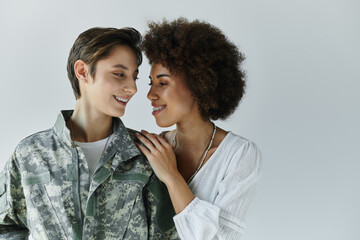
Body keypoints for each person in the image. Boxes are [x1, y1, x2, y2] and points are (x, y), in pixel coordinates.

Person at [0, 27, 179, 240]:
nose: (132, 88)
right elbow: (6, 227)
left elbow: (168, 235)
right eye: (119, 74)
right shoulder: (29, 154)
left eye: (134, 77)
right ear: (83, 71)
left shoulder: (145, 155)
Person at [136, 18, 262, 240]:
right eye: (150, 83)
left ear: (198, 84)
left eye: (162, 83)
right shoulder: (153, 149)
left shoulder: (239, 155)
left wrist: (172, 176)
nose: (150, 94)